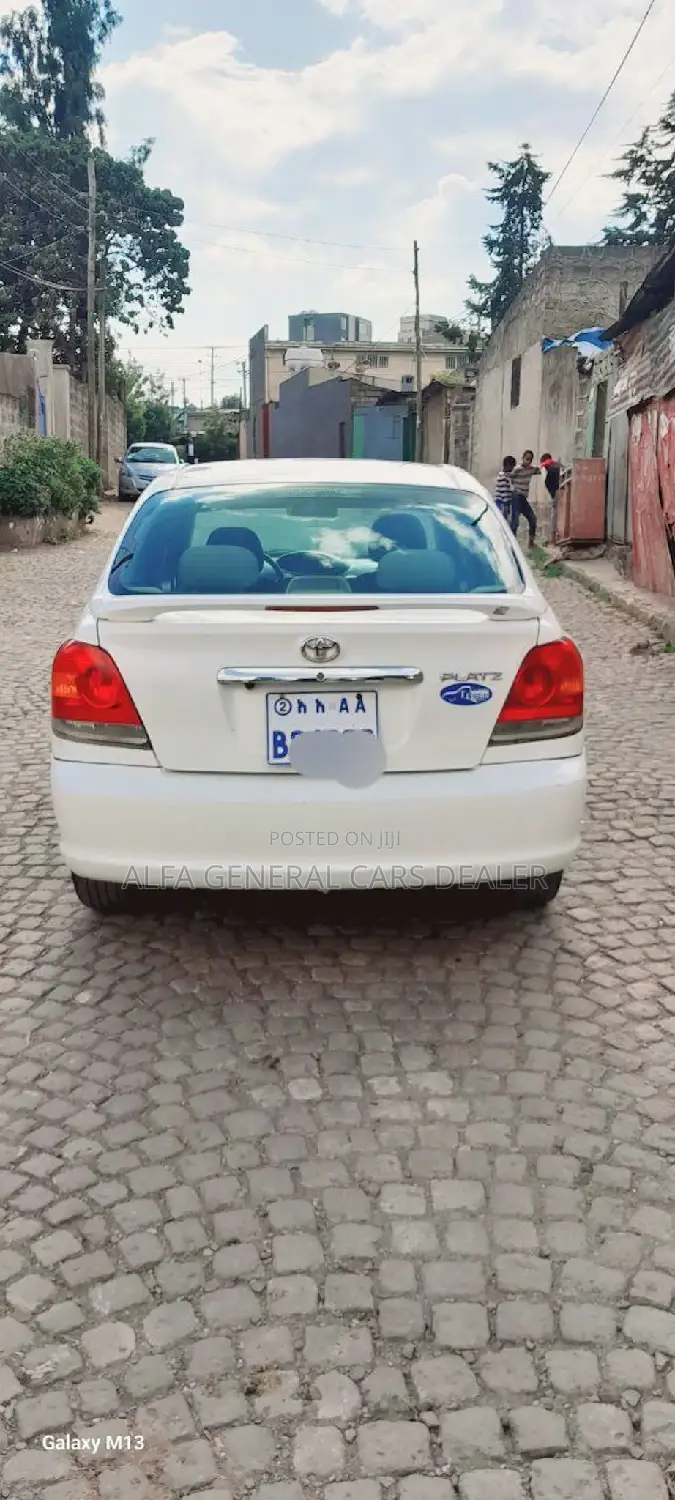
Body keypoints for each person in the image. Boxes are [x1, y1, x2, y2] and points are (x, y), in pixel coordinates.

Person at [509, 449, 539, 548]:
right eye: (527, 459)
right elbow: (509, 477)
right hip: (516, 496)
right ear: (523, 458)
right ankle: (511, 544)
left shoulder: (531, 469)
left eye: (530, 460)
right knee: (515, 521)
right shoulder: (517, 469)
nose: (528, 461)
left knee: (532, 519)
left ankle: (531, 543)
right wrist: (513, 489)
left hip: (523, 498)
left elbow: (539, 470)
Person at [540, 453, 561, 544]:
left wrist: (553, 493)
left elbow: (545, 481)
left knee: (554, 513)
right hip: (566, 491)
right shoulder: (558, 465)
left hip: (556, 492)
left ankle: (553, 538)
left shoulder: (545, 467)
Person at [494, 455, 516, 522]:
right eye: (512, 467)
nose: (513, 469)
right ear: (508, 466)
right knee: (503, 520)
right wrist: (506, 505)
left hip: (499, 501)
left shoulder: (500, 475)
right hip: (503, 502)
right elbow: (505, 493)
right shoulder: (505, 477)